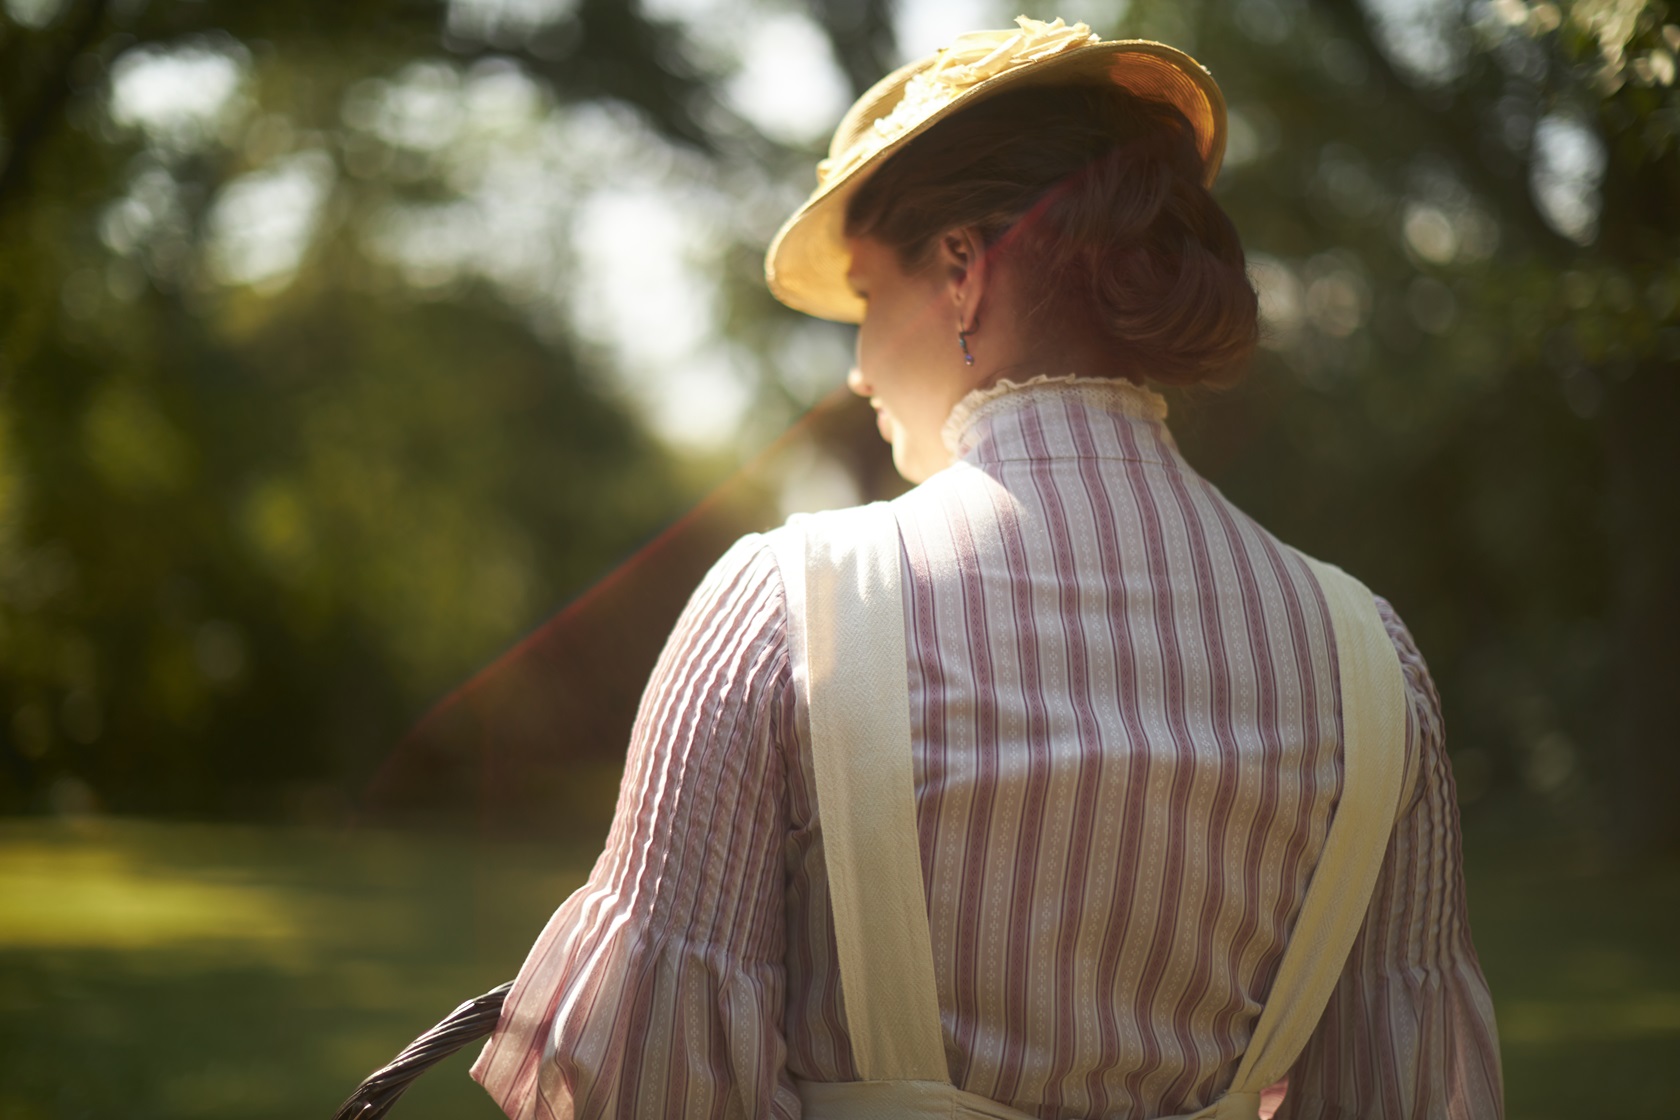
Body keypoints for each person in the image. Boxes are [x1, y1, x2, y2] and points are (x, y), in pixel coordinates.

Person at [471, 17, 1503, 1119]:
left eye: (868, 298)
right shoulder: (1363, 654)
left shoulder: (788, 606)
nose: (859, 369)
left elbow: (648, 1088)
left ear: (962, 270)